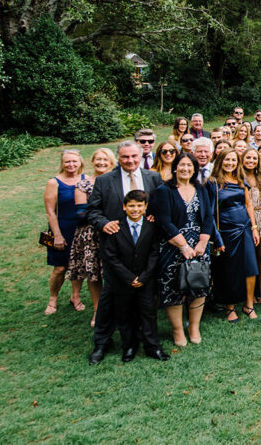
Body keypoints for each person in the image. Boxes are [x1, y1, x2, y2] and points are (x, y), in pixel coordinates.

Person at [85, 141, 163, 364]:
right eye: (125, 157)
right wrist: (104, 223)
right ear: (118, 158)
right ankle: (101, 342)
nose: (130, 161)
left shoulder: (153, 178)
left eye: (134, 156)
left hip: (145, 246)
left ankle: (144, 341)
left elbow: (159, 205)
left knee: (145, 300)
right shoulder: (104, 180)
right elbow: (92, 211)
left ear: (141, 156)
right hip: (117, 249)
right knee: (111, 298)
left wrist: (155, 216)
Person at [150, 152, 216, 347]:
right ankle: (178, 329)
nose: (186, 169)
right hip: (173, 245)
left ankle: (194, 326)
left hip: (198, 245)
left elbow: (208, 217)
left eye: (190, 165)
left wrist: (202, 243)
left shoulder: (200, 188)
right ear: (175, 167)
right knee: (173, 287)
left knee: (199, 284)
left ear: (195, 168)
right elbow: (163, 220)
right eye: (182, 165)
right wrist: (183, 246)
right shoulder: (164, 190)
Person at [99, 190, 168, 362]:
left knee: (148, 313)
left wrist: (144, 277)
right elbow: (111, 257)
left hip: (146, 279)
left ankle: (153, 346)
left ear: (145, 207)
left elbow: (154, 253)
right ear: (124, 207)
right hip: (123, 281)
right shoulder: (116, 228)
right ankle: (129, 346)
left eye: (139, 206)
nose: (135, 209)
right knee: (125, 314)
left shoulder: (152, 226)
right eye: (131, 206)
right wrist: (129, 278)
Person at [209, 149, 260, 322]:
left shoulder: (240, 180)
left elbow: (248, 204)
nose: (230, 163)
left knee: (250, 266)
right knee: (229, 269)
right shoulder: (213, 183)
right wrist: (215, 237)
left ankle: (248, 304)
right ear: (220, 161)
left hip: (244, 227)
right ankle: (229, 307)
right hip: (225, 230)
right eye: (227, 160)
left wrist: (254, 227)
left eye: (233, 160)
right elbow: (210, 212)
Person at [67, 148, 115, 327]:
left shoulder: (118, 181)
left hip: (115, 230)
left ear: (111, 162)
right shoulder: (83, 184)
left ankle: (117, 309)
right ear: (92, 161)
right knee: (94, 275)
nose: (102, 162)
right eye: (98, 159)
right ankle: (98, 311)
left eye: (105, 159)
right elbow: (82, 214)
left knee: (114, 272)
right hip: (91, 234)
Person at [43, 150, 87, 316]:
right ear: (62, 163)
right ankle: (53, 298)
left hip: (81, 229)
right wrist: (57, 235)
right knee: (60, 268)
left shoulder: (85, 179)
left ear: (80, 162)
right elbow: (50, 212)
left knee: (78, 266)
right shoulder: (54, 183)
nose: (71, 165)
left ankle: (75, 296)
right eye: (67, 162)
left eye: (74, 161)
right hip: (61, 229)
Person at [241, 148, 261, 305]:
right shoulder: (238, 177)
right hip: (244, 218)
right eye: (248, 158)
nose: (251, 161)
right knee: (247, 256)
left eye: (254, 158)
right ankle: (246, 291)